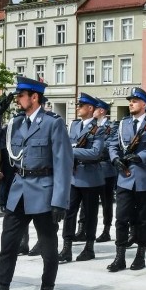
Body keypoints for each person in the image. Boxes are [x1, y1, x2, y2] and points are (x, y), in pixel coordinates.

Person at [0, 76, 72, 290]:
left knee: (48, 251)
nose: (16, 99)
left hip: (44, 192)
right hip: (19, 192)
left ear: (34, 97)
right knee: (7, 249)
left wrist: (60, 200)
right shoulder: (16, 123)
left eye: (20, 95)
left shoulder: (52, 124)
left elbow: (63, 162)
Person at [106, 88, 146, 272]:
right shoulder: (123, 123)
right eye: (130, 101)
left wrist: (142, 156)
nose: (131, 103)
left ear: (144, 104)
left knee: (143, 219)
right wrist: (115, 158)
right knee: (121, 218)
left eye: (135, 100)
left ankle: (140, 255)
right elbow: (113, 144)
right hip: (124, 178)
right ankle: (120, 257)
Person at [59, 93, 106, 263]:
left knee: (90, 214)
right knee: (69, 212)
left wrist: (71, 151)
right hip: (73, 176)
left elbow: (95, 153)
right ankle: (66, 248)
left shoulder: (98, 128)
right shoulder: (74, 126)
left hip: (90, 177)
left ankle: (89, 247)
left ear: (90, 108)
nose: (78, 108)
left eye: (81, 105)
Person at [93, 99, 116, 243]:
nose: (92, 110)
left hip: (106, 169)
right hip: (92, 169)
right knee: (89, 202)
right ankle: (83, 229)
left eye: (95, 108)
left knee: (107, 202)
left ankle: (106, 229)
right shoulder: (91, 126)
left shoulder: (111, 127)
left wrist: (94, 150)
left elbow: (109, 146)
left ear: (102, 111)